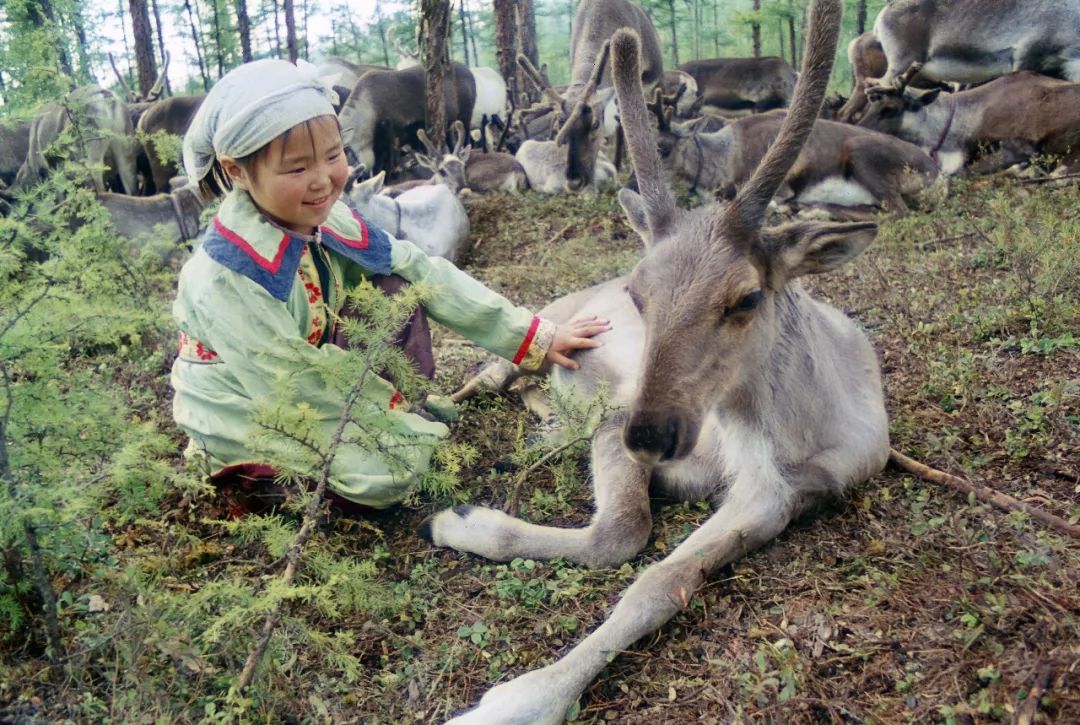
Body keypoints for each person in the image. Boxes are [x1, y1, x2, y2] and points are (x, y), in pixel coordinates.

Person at [171, 59, 609, 509]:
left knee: (396, 286)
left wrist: (531, 335)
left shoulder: (328, 216)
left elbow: (422, 270)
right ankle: (257, 478)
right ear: (238, 171)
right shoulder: (226, 275)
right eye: (297, 169)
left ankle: (388, 419)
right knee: (390, 473)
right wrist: (393, 427)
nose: (323, 181)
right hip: (253, 403)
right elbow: (291, 380)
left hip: (318, 369)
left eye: (333, 155)